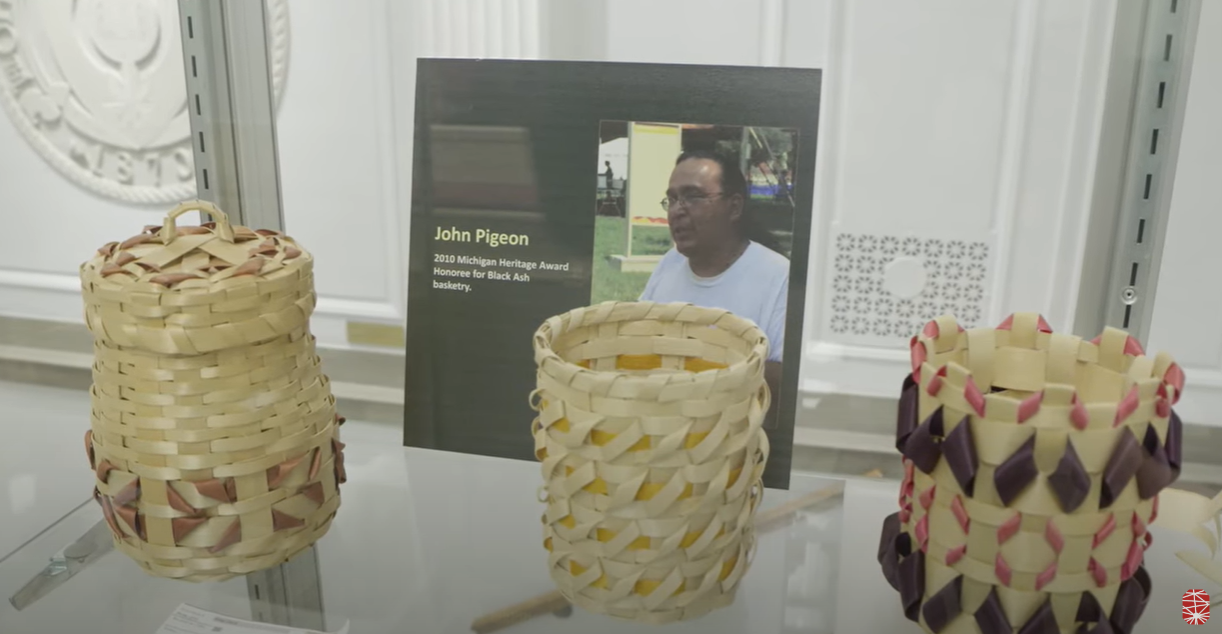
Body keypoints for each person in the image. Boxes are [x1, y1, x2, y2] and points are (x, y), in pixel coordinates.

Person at [639, 150, 789, 420]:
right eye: (672, 199)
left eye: (693, 197)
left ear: (734, 207)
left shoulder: (778, 276)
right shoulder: (669, 264)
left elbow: (779, 379)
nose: (677, 211)